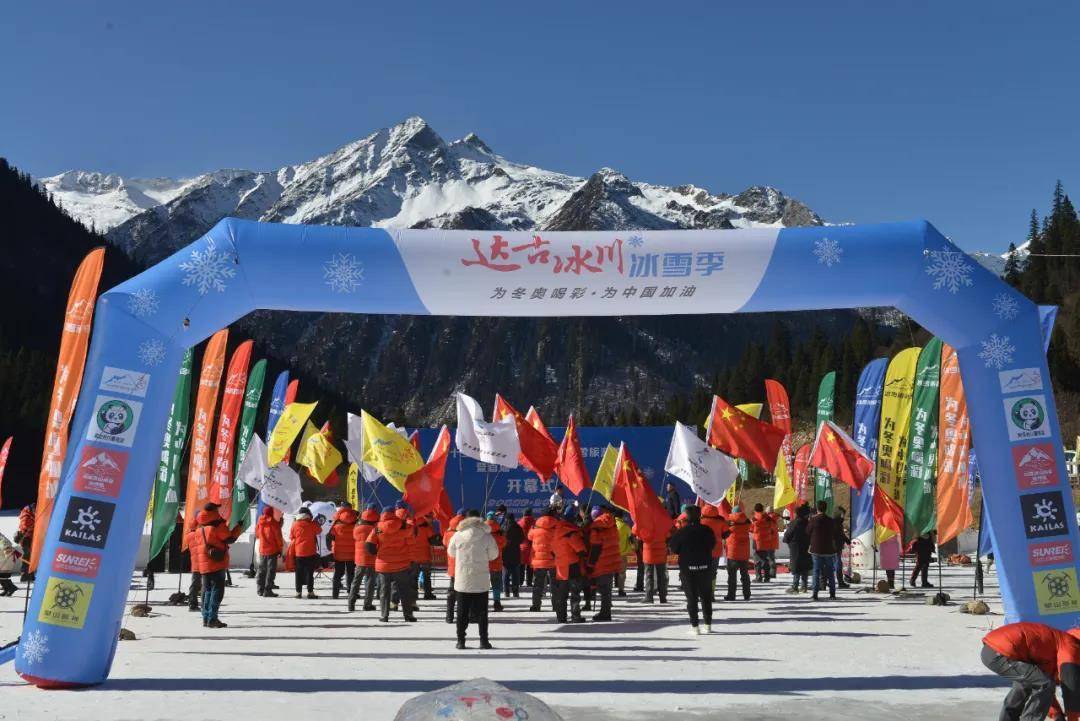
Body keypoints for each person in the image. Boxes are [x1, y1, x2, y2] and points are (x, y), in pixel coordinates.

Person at [981, 622, 1080, 721]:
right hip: (1000, 650)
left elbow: (1043, 688)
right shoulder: (1070, 646)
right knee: (1044, 684)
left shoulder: (1054, 647)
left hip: (992, 650)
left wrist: (1056, 714)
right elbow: (1070, 685)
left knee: (1026, 684)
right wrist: (1073, 718)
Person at [446, 509, 499, 649]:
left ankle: (461, 641)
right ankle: (484, 641)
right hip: (481, 580)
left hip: (463, 579)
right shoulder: (487, 537)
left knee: (462, 613)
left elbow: (451, 552)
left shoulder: (458, 536)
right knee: (482, 613)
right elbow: (494, 555)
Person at [188, 502, 240, 628]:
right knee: (217, 590)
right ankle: (212, 618)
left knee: (207, 590)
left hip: (204, 565)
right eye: (217, 510)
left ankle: (206, 617)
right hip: (216, 563)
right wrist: (238, 528)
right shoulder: (217, 526)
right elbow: (229, 539)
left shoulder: (200, 528)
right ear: (213, 512)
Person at [668, 505, 716, 634]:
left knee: (692, 598)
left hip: (687, 569)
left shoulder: (682, 532)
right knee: (706, 596)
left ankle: (695, 626)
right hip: (705, 567)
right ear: (700, 515)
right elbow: (713, 544)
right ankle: (708, 624)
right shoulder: (707, 530)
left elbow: (673, 548)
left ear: (686, 516)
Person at [366, 509, 417, 622]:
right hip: (401, 564)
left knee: (384, 591)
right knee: (404, 591)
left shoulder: (378, 528)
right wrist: (408, 518)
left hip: (383, 565)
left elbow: (369, 545)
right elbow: (413, 533)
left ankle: (384, 615)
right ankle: (408, 615)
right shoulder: (403, 526)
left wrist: (377, 553)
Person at [551, 506, 588, 623]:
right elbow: (581, 549)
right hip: (572, 566)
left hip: (560, 567)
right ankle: (575, 616)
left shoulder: (556, 532)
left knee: (562, 594)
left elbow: (551, 550)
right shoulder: (571, 533)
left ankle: (561, 617)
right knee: (575, 593)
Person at [587, 506, 621, 621]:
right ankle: (605, 611)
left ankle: (605, 613)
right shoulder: (612, 524)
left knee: (603, 590)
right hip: (612, 561)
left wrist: (590, 564)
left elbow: (595, 548)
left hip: (601, 561)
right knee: (607, 589)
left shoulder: (596, 528)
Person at [348, 505, 380, 611]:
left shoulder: (357, 526)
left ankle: (351, 602)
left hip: (359, 559)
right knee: (370, 582)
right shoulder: (376, 528)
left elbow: (354, 538)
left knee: (356, 581)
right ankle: (367, 604)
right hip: (372, 558)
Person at [528, 508, 558, 612]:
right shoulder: (557, 525)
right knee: (555, 585)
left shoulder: (535, 526)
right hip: (554, 559)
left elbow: (529, 537)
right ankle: (556, 605)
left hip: (538, 559)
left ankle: (536, 605)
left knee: (538, 584)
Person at [807, 501, 837, 600]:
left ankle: (815, 594)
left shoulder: (813, 519)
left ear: (817, 509)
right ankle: (832, 594)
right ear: (826, 508)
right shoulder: (831, 520)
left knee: (816, 571)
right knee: (830, 572)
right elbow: (834, 532)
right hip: (829, 549)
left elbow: (807, 531)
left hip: (816, 549)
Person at [290, 507, 322, 599]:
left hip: (298, 552)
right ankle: (310, 592)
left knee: (298, 573)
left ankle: (298, 592)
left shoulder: (295, 524)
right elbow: (319, 531)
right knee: (309, 573)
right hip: (310, 552)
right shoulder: (312, 524)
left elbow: (291, 537)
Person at [328, 502, 358, 599]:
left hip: (338, 552)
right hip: (352, 552)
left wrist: (330, 548)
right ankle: (351, 592)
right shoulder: (356, 521)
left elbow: (329, 537)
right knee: (350, 573)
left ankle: (335, 594)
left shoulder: (336, 523)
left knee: (337, 573)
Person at [724, 505, 752, 601]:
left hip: (733, 553)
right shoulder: (747, 523)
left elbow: (723, 534)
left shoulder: (729, 524)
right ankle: (747, 594)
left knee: (732, 576)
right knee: (745, 575)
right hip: (744, 553)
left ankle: (731, 595)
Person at [782, 504, 812, 593]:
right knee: (804, 567)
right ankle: (804, 586)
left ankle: (795, 586)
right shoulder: (808, 523)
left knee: (797, 567)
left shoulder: (794, 523)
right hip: (806, 546)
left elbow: (788, 535)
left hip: (796, 548)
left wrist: (787, 541)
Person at [255, 506, 284, 597]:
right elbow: (278, 538)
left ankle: (260, 589)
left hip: (263, 549)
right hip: (272, 550)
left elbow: (257, 535)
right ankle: (268, 590)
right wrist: (280, 549)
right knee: (271, 570)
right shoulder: (274, 523)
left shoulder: (259, 522)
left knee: (262, 569)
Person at [443, 511, 464, 623]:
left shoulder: (448, 532)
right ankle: (464, 615)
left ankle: (449, 616)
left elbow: (445, 543)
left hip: (452, 566)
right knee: (465, 592)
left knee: (452, 592)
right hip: (464, 566)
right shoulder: (466, 532)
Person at [700, 504, 728, 592]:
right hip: (716, 549)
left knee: (702, 571)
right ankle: (711, 592)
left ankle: (703, 592)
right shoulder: (720, 521)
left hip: (703, 549)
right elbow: (726, 534)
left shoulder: (700, 520)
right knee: (713, 572)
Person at [412, 513, 439, 600]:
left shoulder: (411, 527)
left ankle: (414, 595)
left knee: (414, 577)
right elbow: (433, 541)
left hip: (414, 556)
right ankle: (428, 594)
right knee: (427, 576)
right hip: (425, 556)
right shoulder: (427, 528)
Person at [485, 512, 508, 611]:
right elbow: (504, 544)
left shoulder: (482, 532)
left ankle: (482, 603)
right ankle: (497, 603)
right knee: (496, 585)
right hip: (496, 562)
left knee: (482, 585)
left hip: (483, 563)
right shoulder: (499, 533)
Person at [751, 503, 779, 582]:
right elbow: (772, 528)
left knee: (757, 560)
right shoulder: (768, 518)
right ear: (762, 509)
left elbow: (750, 529)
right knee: (766, 559)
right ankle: (767, 577)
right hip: (766, 541)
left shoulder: (754, 519)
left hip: (757, 541)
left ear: (755, 510)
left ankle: (758, 576)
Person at [642, 528, 669, 604]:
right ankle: (663, 597)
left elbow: (637, 533)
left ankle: (649, 597)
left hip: (649, 550)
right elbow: (668, 534)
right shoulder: (662, 520)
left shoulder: (645, 522)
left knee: (649, 575)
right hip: (661, 550)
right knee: (661, 575)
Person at [501, 512, 524, 598]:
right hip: (516, 552)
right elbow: (522, 539)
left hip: (505, 552)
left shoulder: (503, 527)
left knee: (506, 573)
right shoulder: (518, 527)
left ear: (506, 519)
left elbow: (500, 539)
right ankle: (515, 592)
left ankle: (506, 592)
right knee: (515, 573)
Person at [614, 510, 634, 597]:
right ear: (622, 517)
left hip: (611, 553)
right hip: (622, 553)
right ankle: (620, 590)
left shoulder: (611, 525)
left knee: (609, 572)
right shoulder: (625, 526)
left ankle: (607, 590)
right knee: (622, 573)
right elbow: (631, 537)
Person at [15, 503, 34, 582]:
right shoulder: (26, 515)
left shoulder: (29, 513)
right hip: (26, 538)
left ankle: (30, 574)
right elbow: (25, 525)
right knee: (27, 555)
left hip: (30, 537)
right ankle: (25, 574)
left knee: (30, 556)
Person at [833, 506, 851, 588]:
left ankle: (838, 581)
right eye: (843, 514)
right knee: (838, 564)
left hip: (836, 546)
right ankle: (840, 582)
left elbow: (841, 534)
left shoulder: (837, 522)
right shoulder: (836, 523)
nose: (844, 516)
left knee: (836, 564)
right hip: (835, 546)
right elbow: (840, 535)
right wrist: (846, 540)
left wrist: (847, 540)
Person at [0, 532, 23, 596]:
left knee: (3, 576)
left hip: (6, 560)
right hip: (4, 560)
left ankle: (12, 588)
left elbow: (6, 546)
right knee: (3, 577)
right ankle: (6, 589)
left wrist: (7, 551)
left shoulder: (2, 539)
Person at [518, 509, 535, 588]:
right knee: (530, 566)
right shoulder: (534, 522)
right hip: (532, 547)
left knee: (521, 566)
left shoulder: (519, 522)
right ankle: (529, 582)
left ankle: (520, 581)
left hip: (521, 547)